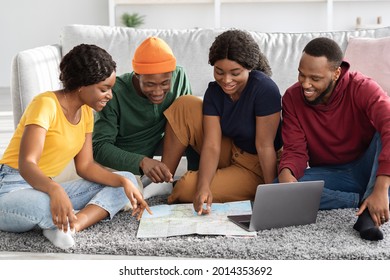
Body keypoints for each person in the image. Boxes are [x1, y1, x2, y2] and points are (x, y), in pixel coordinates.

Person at [0, 44, 151, 250]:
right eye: (103, 89)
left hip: (46, 187)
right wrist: (55, 191)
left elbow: (86, 166)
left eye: (111, 89)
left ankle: (71, 225)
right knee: (44, 205)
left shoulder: (87, 113)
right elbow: (27, 164)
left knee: (128, 180)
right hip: (11, 189)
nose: (110, 95)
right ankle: (57, 218)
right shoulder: (45, 104)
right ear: (82, 85)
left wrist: (122, 181)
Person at [278, 37, 390, 241]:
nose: (305, 84)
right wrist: (287, 177)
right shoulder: (292, 98)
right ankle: (361, 199)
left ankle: (371, 208)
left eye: (315, 78)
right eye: (301, 75)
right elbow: (295, 150)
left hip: (368, 164)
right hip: (335, 174)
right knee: (277, 188)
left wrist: (381, 187)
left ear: (336, 73)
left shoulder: (362, 87)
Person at [161, 29, 283, 215]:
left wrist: (272, 195)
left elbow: (265, 146)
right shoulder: (215, 91)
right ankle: (163, 180)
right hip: (231, 149)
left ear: (249, 67)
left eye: (235, 73)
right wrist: (204, 186)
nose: (226, 80)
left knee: (185, 189)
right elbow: (211, 145)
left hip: (258, 165)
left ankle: (239, 185)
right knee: (184, 105)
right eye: (219, 72)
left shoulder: (264, 89)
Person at [92, 36, 192, 184]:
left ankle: (168, 180)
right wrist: (142, 162)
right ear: (137, 76)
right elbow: (99, 147)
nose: (158, 91)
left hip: (165, 149)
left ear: (172, 75)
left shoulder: (180, 77)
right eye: (150, 84)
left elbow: (187, 124)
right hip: (124, 164)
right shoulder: (114, 93)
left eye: (165, 83)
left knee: (189, 104)